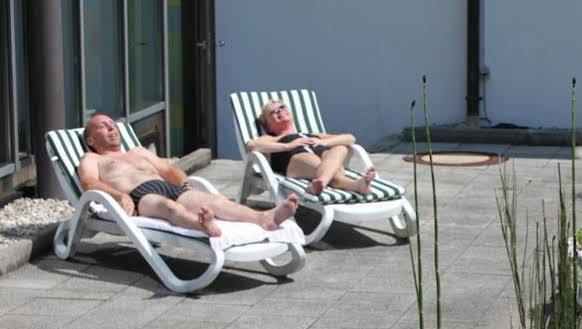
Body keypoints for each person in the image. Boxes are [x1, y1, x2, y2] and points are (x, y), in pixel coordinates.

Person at [78, 113, 298, 238]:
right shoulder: (93, 159)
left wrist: (185, 183)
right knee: (170, 208)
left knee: (215, 201)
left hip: (165, 186)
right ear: (91, 141)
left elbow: (168, 171)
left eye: (112, 123)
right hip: (139, 197)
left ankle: (263, 218)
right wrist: (119, 196)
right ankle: (202, 225)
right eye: (102, 126)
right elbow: (89, 182)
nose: (111, 127)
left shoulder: (138, 151)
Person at [245, 99, 377, 197]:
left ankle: (324, 182)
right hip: (296, 160)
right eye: (273, 112)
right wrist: (288, 145)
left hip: (323, 160)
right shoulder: (273, 138)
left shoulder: (312, 135)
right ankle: (352, 184)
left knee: (341, 148)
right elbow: (251, 145)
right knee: (317, 162)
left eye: (282, 107)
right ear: (268, 127)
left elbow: (350, 138)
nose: (279, 110)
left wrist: (323, 142)